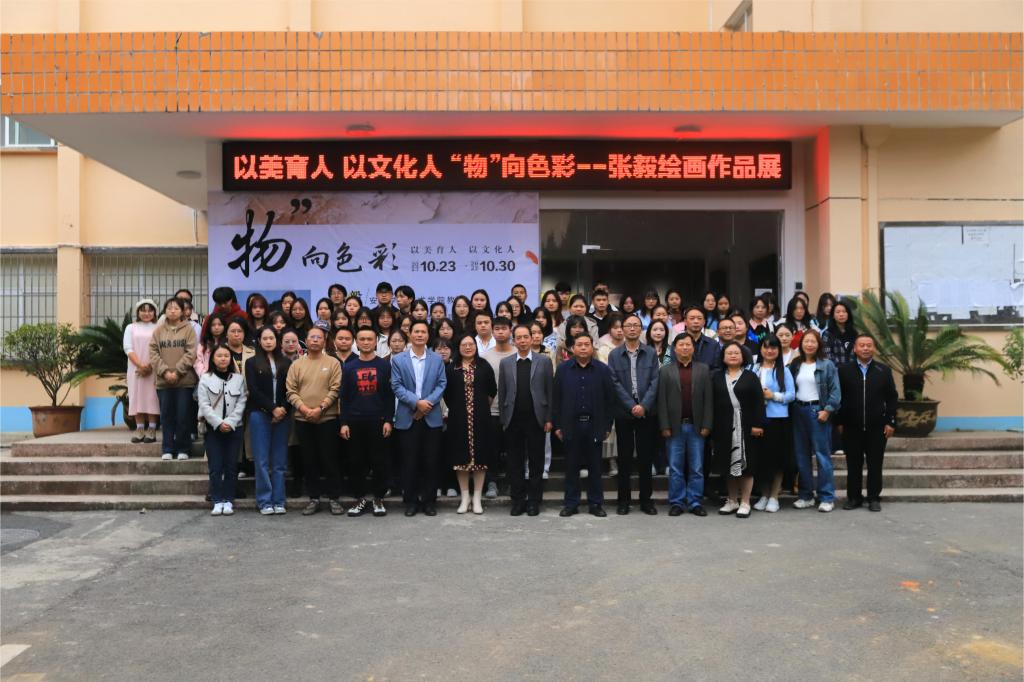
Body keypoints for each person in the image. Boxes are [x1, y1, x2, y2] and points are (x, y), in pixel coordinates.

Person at [553, 333, 616, 518]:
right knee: (571, 467)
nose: (582, 348)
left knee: (595, 467)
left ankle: (595, 503)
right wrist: (558, 425)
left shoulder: (602, 370)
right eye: (579, 344)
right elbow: (556, 399)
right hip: (570, 425)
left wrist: (607, 426)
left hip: (594, 424)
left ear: (592, 347)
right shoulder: (563, 369)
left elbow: (610, 400)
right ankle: (571, 504)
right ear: (572, 348)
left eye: (586, 344)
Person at [391, 320, 447, 517]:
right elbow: (396, 386)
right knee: (409, 461)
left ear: (428, 336)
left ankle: (429, 501)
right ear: (410, 334)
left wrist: (425, 405)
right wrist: (416, 403)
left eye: (423, 332)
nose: (420, 335)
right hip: (407, 417)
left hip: (431, 417)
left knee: (431, 461)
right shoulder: (399, 359)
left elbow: (441, 384)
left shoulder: (437, 359)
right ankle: (411, 501)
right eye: (416, 331)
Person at [285, 325, 344, 516]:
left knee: (330, 459)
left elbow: (336, 388)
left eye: (319, 337)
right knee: (309, 460)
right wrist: (304, 409)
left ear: (325, 341)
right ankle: (314, 498)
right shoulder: (297, 365)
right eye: (312, 337)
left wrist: (320, 409)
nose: (316, 340)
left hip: (327, 418)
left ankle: (334, 498)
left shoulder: (333, 363)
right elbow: (291, 391)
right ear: (306, 341)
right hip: (303, 419)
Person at [837, 334, 898, 512]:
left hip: (877, 427)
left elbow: (892, 398)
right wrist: (839, 421)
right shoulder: (844, 371)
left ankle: (874, 498)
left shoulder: (883, 371)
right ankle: (854, 497)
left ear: (874, 348)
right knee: (853, 464)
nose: (865, 348)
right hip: (851, 426)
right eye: (861, 345)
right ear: (855, 349)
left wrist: (891, 421)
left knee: (875, 464)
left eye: (869, 345)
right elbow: (838, 397)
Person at [607, 314, 661, 515]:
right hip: (624, 413)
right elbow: (614, 383)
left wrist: (644, 405)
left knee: (646, 458)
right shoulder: (614, 355)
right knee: (624, 459)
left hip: (647, 413)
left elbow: (656, 381)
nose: (631, 328)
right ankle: (623, 501)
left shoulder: (650, 353)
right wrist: (631, 406)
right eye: (628, 325)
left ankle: (646, 500)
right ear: (622, 329)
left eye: (635, 325)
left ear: (641, 329)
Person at [340, 327, 395, 518]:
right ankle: (360, 498)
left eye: (369, 339)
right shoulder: (349, 367)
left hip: (378, 421)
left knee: (379, 461)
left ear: (375, 342)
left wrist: (388, 420)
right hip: (354, 421)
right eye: (362, 339)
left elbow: (389, 396)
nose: (365, 342)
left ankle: (378, 498)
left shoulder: (384, 366)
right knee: (356, 462)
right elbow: (344, 397)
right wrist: (344, 422)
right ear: (356, 342)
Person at [498, 324, 553, 516]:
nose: (522, 341)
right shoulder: (506, 363)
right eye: (518, 338)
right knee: (515, 462)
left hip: (536, 418)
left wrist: (549, 418)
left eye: (525, 337)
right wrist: (504, 419)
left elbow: (550, 391)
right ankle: (518, 500)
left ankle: (534, 501)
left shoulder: (544, 361)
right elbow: (502, 392)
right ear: (514, 341)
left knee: (537, 461)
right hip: (513, 419)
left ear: (532, 338)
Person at [657, 333, 714, 517]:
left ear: (693, 347)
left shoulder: (703, 369)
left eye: (688, 344)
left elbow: (708, 400)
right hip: (674, 427)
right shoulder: (666, 371)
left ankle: (695, 502)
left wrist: (707, 424)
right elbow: (661, 401)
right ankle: (677, 502)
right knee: (675, 468)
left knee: (697, 468)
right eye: (681, 344)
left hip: (697, 426)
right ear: (675, 349)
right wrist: (664, 425)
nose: (684, 347)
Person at [711, 341, 766, 518]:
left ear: (743, 356)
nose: (733, 355)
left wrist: (758, 424)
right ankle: (732, 500)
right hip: (724, 427)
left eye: (736, 353)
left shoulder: (751, 376)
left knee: (747, 465)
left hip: (747, 426)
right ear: (723, 357)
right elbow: (712, 403)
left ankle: (745, 502)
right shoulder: (717, 377)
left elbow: (759, 402)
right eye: (729, 353)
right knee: (728, 464)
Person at [444, 334, 497, 515]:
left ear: (475, 346)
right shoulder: (452, 369)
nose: (468, 347)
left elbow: (492, 391)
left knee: (481, 458)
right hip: (458, 419)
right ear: (458, 348)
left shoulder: (484, 366)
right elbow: (447, 395)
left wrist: (479, 406)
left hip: (481, 419)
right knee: (460, 459)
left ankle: (477, 498)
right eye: (464, 344)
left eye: (471, 344)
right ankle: (465, 497)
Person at [789, 329, 842, 512]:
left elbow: (835, 391)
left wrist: (827, 410)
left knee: (822, 455)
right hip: (798, 410)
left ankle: (826, 497)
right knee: (801, 456)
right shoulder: (796, 364)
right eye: (806, 341)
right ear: (801, 344)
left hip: (817, 412)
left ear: (819, 344)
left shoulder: (827, 365)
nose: (809, 344)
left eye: (813, 341)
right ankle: (806, 495)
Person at [245, 327, 292, 515]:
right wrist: (272, 408)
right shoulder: (251, 362)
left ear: (277, 340)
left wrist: (282, 409)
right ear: (259, 341)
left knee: (279, 461)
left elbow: (291, 389)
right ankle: (264, 501)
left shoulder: (286, 362)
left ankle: (279, 500)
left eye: (271, 338)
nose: (268, 341)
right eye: (264, 338)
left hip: (283, 415)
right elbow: (253, 390)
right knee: (262, 460)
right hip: (260, 414)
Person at [198, 344, 247, 516]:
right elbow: (204, 404)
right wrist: (218, 423)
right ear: (213, 358)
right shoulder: (206, 378)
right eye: (219, 355)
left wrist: (230, 422)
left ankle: (228, 500)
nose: (223, 358)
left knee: (231, 466)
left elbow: (242, 402)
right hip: (213, 429)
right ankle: (217, 500)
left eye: (226, 355)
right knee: (215, 466)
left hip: (234, 428)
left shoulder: (238, 379)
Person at [751, 335, 796, 513]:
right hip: (757, 419)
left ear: (778, 350)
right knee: (760, 459)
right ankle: (764, 494)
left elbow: (791, 395)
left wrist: (773, 396)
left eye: (773, 348)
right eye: (766, 347)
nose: (769, 351)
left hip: (777, 419)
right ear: (761, 349)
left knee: (777, 460)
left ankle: (774, 496)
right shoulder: (753, 369)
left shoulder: (784, 371)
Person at [149, 297, 198, 461]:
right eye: (169, 308)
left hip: (184, 381)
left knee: (183, 416)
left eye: (176, 308)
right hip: (163, 382)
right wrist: (165, 372)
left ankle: (184, 448)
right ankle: (168, 448)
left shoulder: (189, 329)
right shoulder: (158, 330)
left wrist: (177, 372)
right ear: (165, 311)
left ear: (183, 311)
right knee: (166, 417)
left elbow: (191, 353)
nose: (172, 311)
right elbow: (153, 353)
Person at [481, 316, 516, 499]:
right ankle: (491, 482)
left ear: (510, 330)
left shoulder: (518, 353)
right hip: (492, 411)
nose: (501, 332)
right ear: (492, 331)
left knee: (514, 449)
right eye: (497, 329)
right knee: (491, 449)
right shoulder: (485, 357)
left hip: (515, 411)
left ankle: (513, 482)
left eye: (504, 328)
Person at [123, 298, 159, 443]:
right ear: (138, 312)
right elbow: (128, 348)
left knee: (152, 397)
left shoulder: (158, 327)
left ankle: (152, 429)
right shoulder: (130, 327)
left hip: (153, 368)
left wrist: (149, 366)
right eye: (143, 310)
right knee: (136, 397)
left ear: (154, 313)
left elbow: (160, 348)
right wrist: (140, 365)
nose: (146, 313)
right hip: (135, 369)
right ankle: (139, 429)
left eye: (150, 310)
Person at [822, 300, 857, 366]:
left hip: (852, 369)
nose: (841, 314)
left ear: (848, 314)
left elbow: (857, 353)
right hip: (835, 369)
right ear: (833, 315)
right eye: (838, 312)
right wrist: (841, 368)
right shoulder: (827, 333)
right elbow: (827, 354)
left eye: (844, 312)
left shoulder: (854, 333)